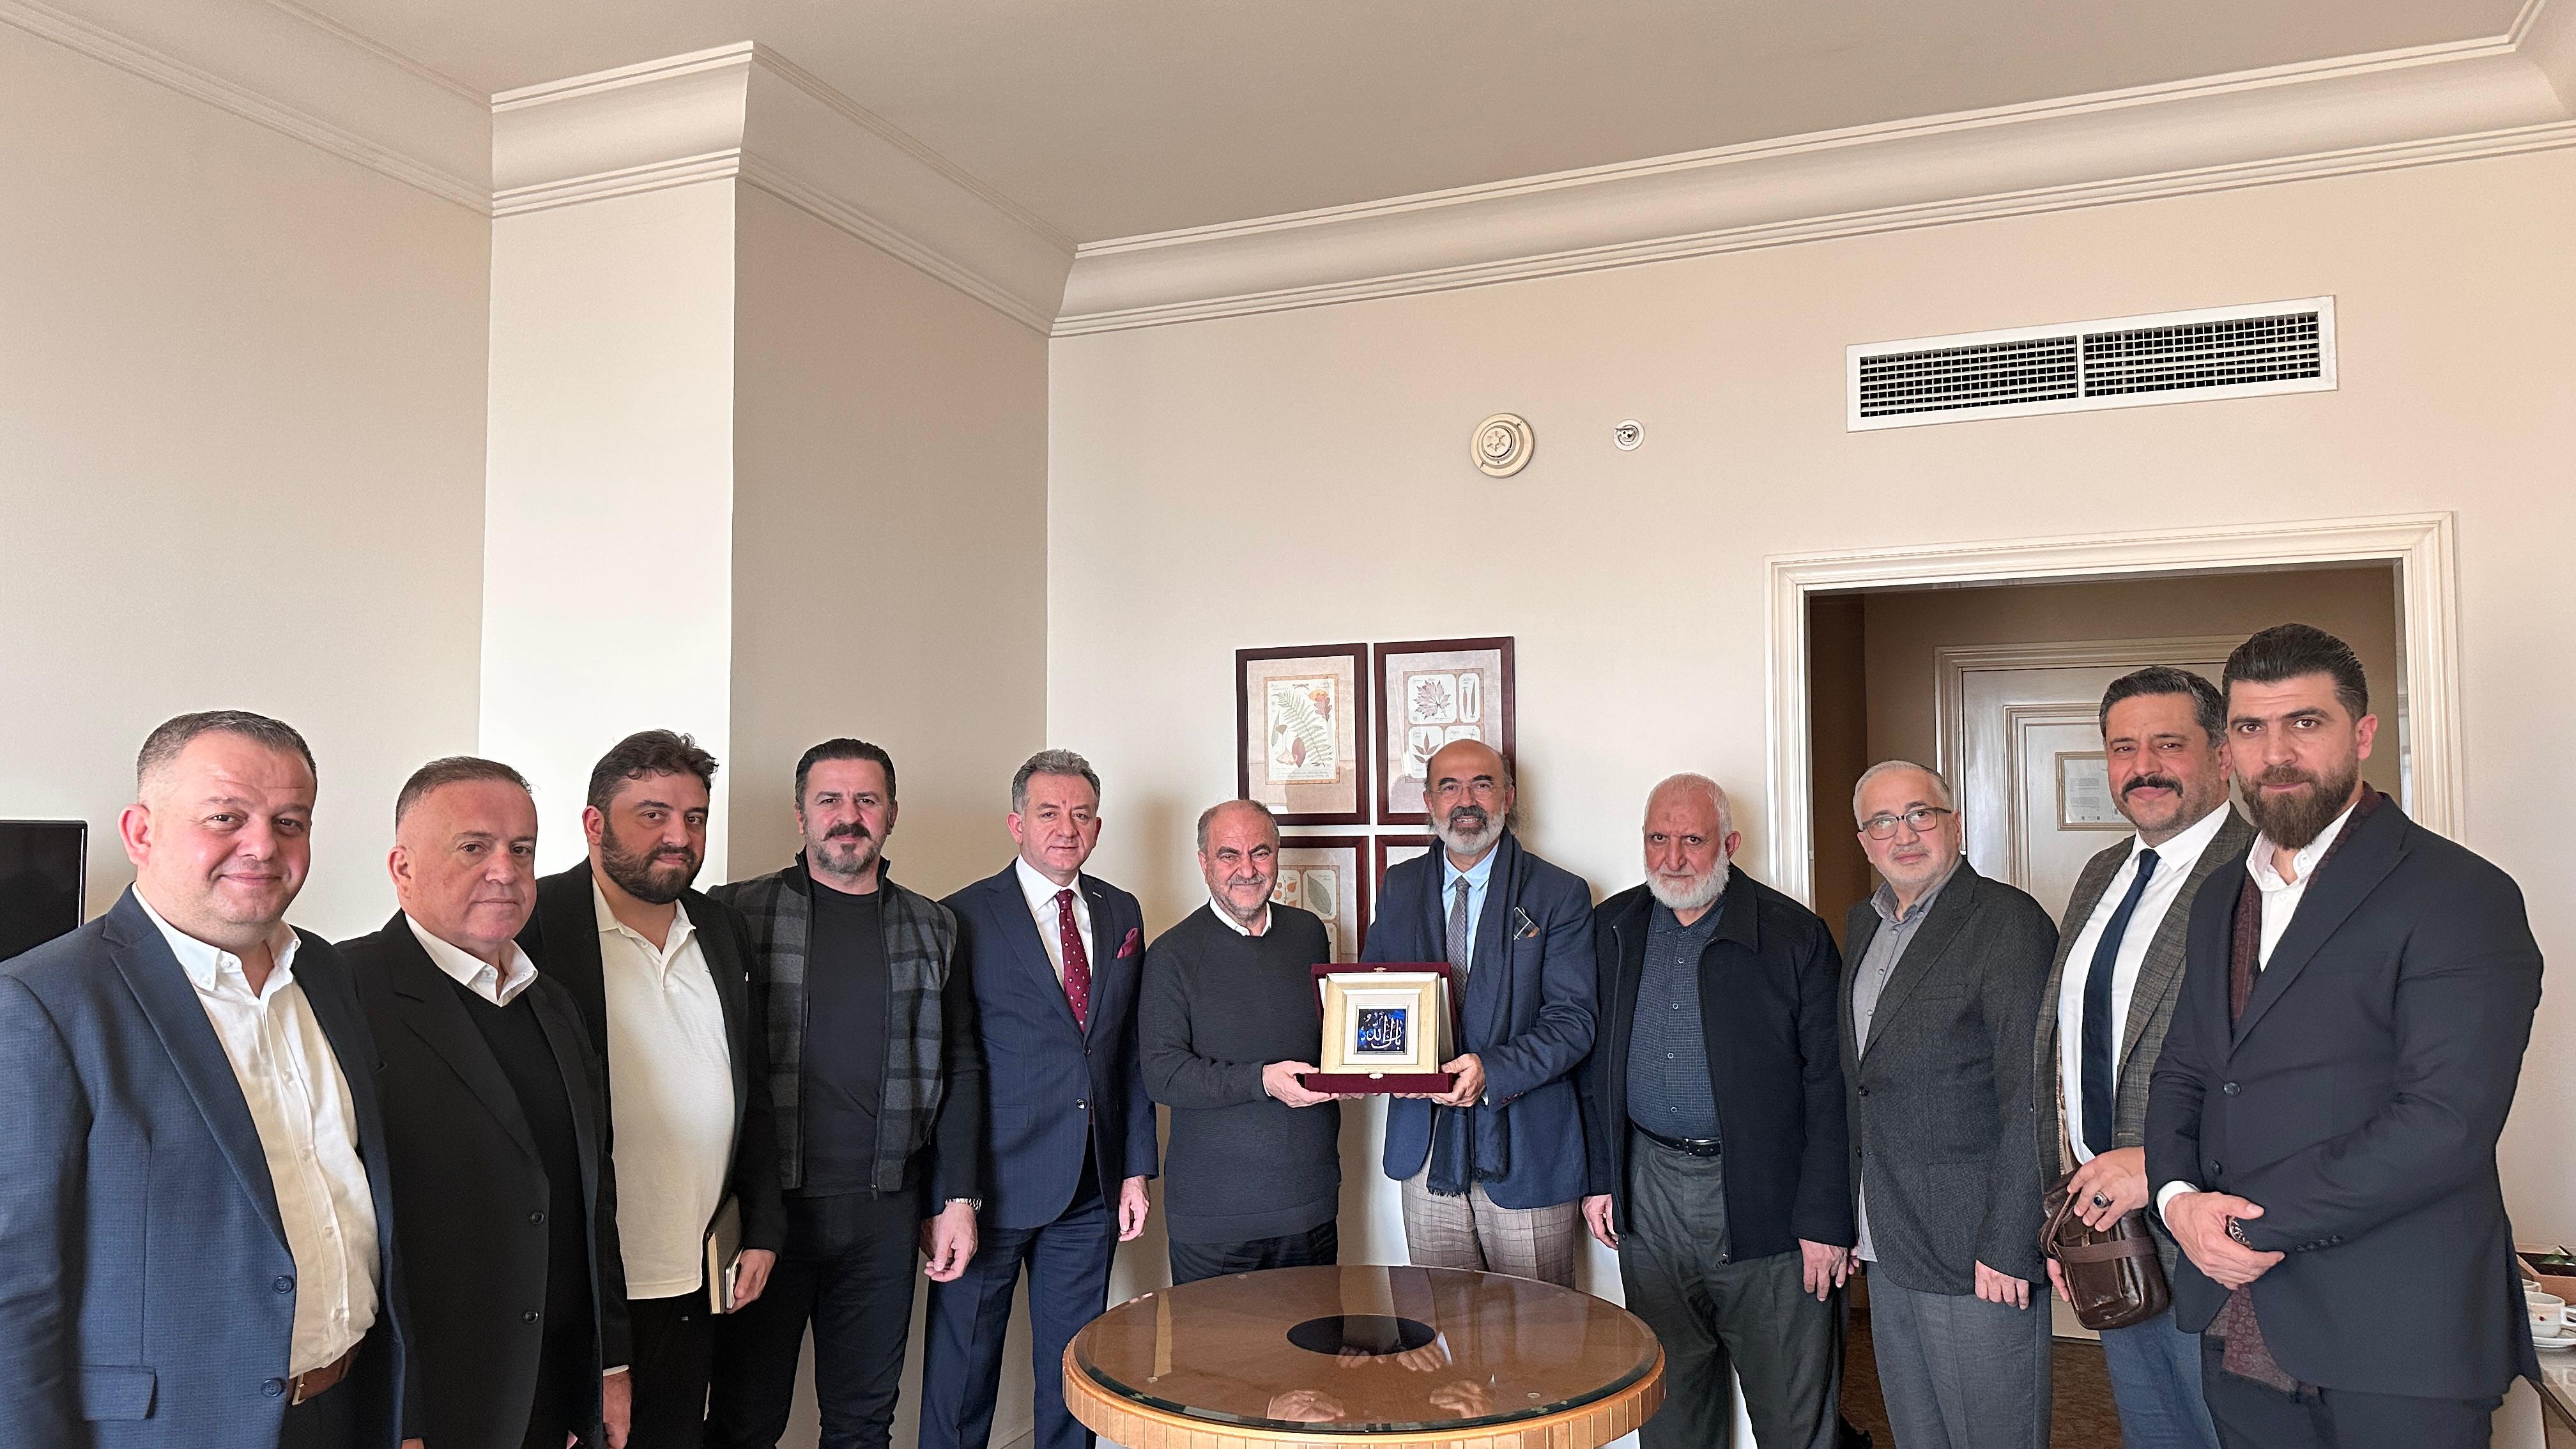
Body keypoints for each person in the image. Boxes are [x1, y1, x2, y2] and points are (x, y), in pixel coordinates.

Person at [2147, 624, 2543, 1449]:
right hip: (2237, 1325)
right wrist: (2178, 1202)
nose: (2276, 753)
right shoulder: (2221, 896)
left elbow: (2444, 1123)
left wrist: (2243, 1229)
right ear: (2227, 749)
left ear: (2362, 734)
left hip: (2399, 1336)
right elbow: (2186, 1070)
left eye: (2305, 722)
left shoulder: (2459, 893)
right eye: (2251, 728)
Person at [0, 711, 425, 1449]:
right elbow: (14, 1289)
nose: (263, 846)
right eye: (225, 817)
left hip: (345, 1409)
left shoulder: (327, 973)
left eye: (290, 822)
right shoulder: (45, 1002)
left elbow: (358, 1205)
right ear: (141, 833)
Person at [342, 757, 632, 1449]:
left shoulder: (553, 1002)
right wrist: (396, 1414)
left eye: (521, 849)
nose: (506, 870)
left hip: (548, 1390)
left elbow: (592, 1197)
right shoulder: (342, 990)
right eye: (474, 847)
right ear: (403, 868)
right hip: (423, 1401)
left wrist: (607, 1363)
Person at [706, 738, 984, 1449]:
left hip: (883, 1216)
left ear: (892, 814)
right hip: (766, 1215)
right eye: (829, 799)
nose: (848, 815)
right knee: (744, 1421)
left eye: (867, 800)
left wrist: (959, 1198)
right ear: (801, 814)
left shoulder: (935, 927)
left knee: (863, 1423)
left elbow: (960, 1065)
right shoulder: (733, 916)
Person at [518, 731, 782, 1449]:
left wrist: (763, 1227)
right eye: (653, 815)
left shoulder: (720, 928)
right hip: (580, 1282)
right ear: (593, 824)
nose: (679, 837)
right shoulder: (533, 924)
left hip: (695, 1271)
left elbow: (753, 1089)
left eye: (694, 818)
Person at [1579, 774, 1850, 1449]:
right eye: (1658, 839)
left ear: (1729, 844)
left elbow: (1833, 1086)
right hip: (1649, 1193)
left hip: (1769, 1203)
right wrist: (1601, 1177)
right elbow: (1592, 1068)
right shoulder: (1613, 928)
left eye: (1692, 841)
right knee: (1670, 1411)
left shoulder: (1794, 935)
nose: (1672, 858)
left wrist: (1826, 1220)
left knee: (1793, 1419)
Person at [2032, 669, 2249, 1449]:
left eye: (2168, 744)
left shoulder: (2260, 873)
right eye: (2124, 748)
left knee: (2233, 1431)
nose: (2143, 767)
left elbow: (2284, 1070)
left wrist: (2161, 1166)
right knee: (2156, 1435)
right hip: (2110, 1231)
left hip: (2214, 1230)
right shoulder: (2103, 873)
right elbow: (2069, 1048)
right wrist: (2061, 1214)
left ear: (2221, 756)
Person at [1841, 759, 2055, 1449]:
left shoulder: (2008, 922)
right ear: (1864, 841)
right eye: (1882, 822)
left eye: (1920, 814)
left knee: (1993, 1436)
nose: (1903, 834)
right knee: (1919, 1433)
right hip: (1886, 1233)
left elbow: (2033, 1092)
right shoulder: (1863, 924)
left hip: (1977, 1247)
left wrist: (2012, 1241)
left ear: (1954, 824)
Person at [1361, 738, 1596, 1286]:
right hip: (1425, 1151)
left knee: (1540, 1330)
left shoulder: (1559, 893)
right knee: (1442, 1325)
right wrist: (1381, 1063)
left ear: (1508, 797)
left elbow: (1574, 1021)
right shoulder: (1400, 887)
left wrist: (1493, 1070)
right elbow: (1373, 998)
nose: (1465, 800)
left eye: (1482, 784)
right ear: (1429, 802)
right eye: (1449, 787)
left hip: (1528, 1153)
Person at [1138, 799, 1341, 1284]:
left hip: (1310, 1205)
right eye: (1229, 855)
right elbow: (1163, 1075)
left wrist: (1359, 1070)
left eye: (1260, 852)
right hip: (1216, 1222)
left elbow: (1328, 1040)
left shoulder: (1309, 934)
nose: (1247, 870)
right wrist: (1263, 1081)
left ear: (1278, 854)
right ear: (1204, 862)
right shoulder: (1171, 954)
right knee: (1214, 1340)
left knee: (1315, 1337)